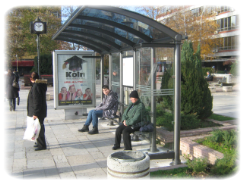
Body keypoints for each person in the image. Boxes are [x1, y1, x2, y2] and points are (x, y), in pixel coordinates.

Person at [27, 72, 47, 151]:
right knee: (38, 127)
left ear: (31, 79)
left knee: (39, 128)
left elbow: (37, 101)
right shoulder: (38, 86)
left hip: (38, 112)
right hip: (40, 111)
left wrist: (36, 113)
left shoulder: (36, 87)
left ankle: (41, 144)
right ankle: (39, 142)